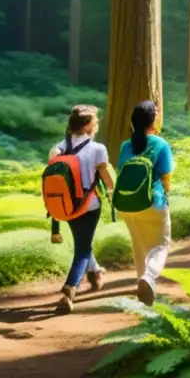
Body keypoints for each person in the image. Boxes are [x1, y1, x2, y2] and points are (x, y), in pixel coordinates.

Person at [51, 105, 114, 314]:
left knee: (82, 241)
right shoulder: (98, 149)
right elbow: (107, 180)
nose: (96, 126)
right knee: (83, 250)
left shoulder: (58, 147)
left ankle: (95, 272)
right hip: (89, 204)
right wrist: (114, 192)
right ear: (87, 126)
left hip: (65, 206)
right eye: (95, 122)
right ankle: (69, 291)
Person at [115, 101, 174, 306]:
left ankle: (144, 295)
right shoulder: (160, 144)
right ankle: (148, 278)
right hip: (152, 202)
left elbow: (120, 171)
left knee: (138, 246)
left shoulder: (125, 145)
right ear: (153, 121)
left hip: (126, 204)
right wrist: (165, 195)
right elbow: (166, 177)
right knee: (161, 244)